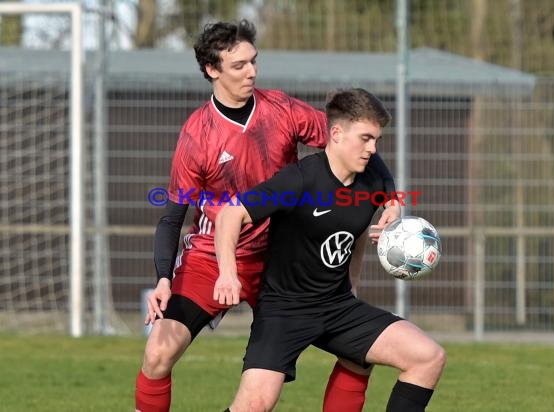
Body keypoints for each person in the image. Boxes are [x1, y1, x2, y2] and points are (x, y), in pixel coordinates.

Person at [134, 20, 401, 412]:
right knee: (158, 353)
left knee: (357, 350)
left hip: (281, 261)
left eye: (253, 61)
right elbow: (173, 215)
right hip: (212, 257)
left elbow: (355, 140)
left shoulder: (283, 110)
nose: (252, 72)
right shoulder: (196, 135)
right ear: (212, 70)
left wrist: (391, 196)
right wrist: (162, 277)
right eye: (239, 65)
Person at [214, 88, 446, 412]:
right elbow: (230, 214)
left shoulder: (371, 177)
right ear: (336, 133)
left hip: (337, 307)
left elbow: (366, 215)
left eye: (377, 140)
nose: (373, 149)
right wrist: (227, 274)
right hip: (285, 309)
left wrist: (391, 205)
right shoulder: (299, 180)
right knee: (254, 404)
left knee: (428, 357)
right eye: (365, 138)